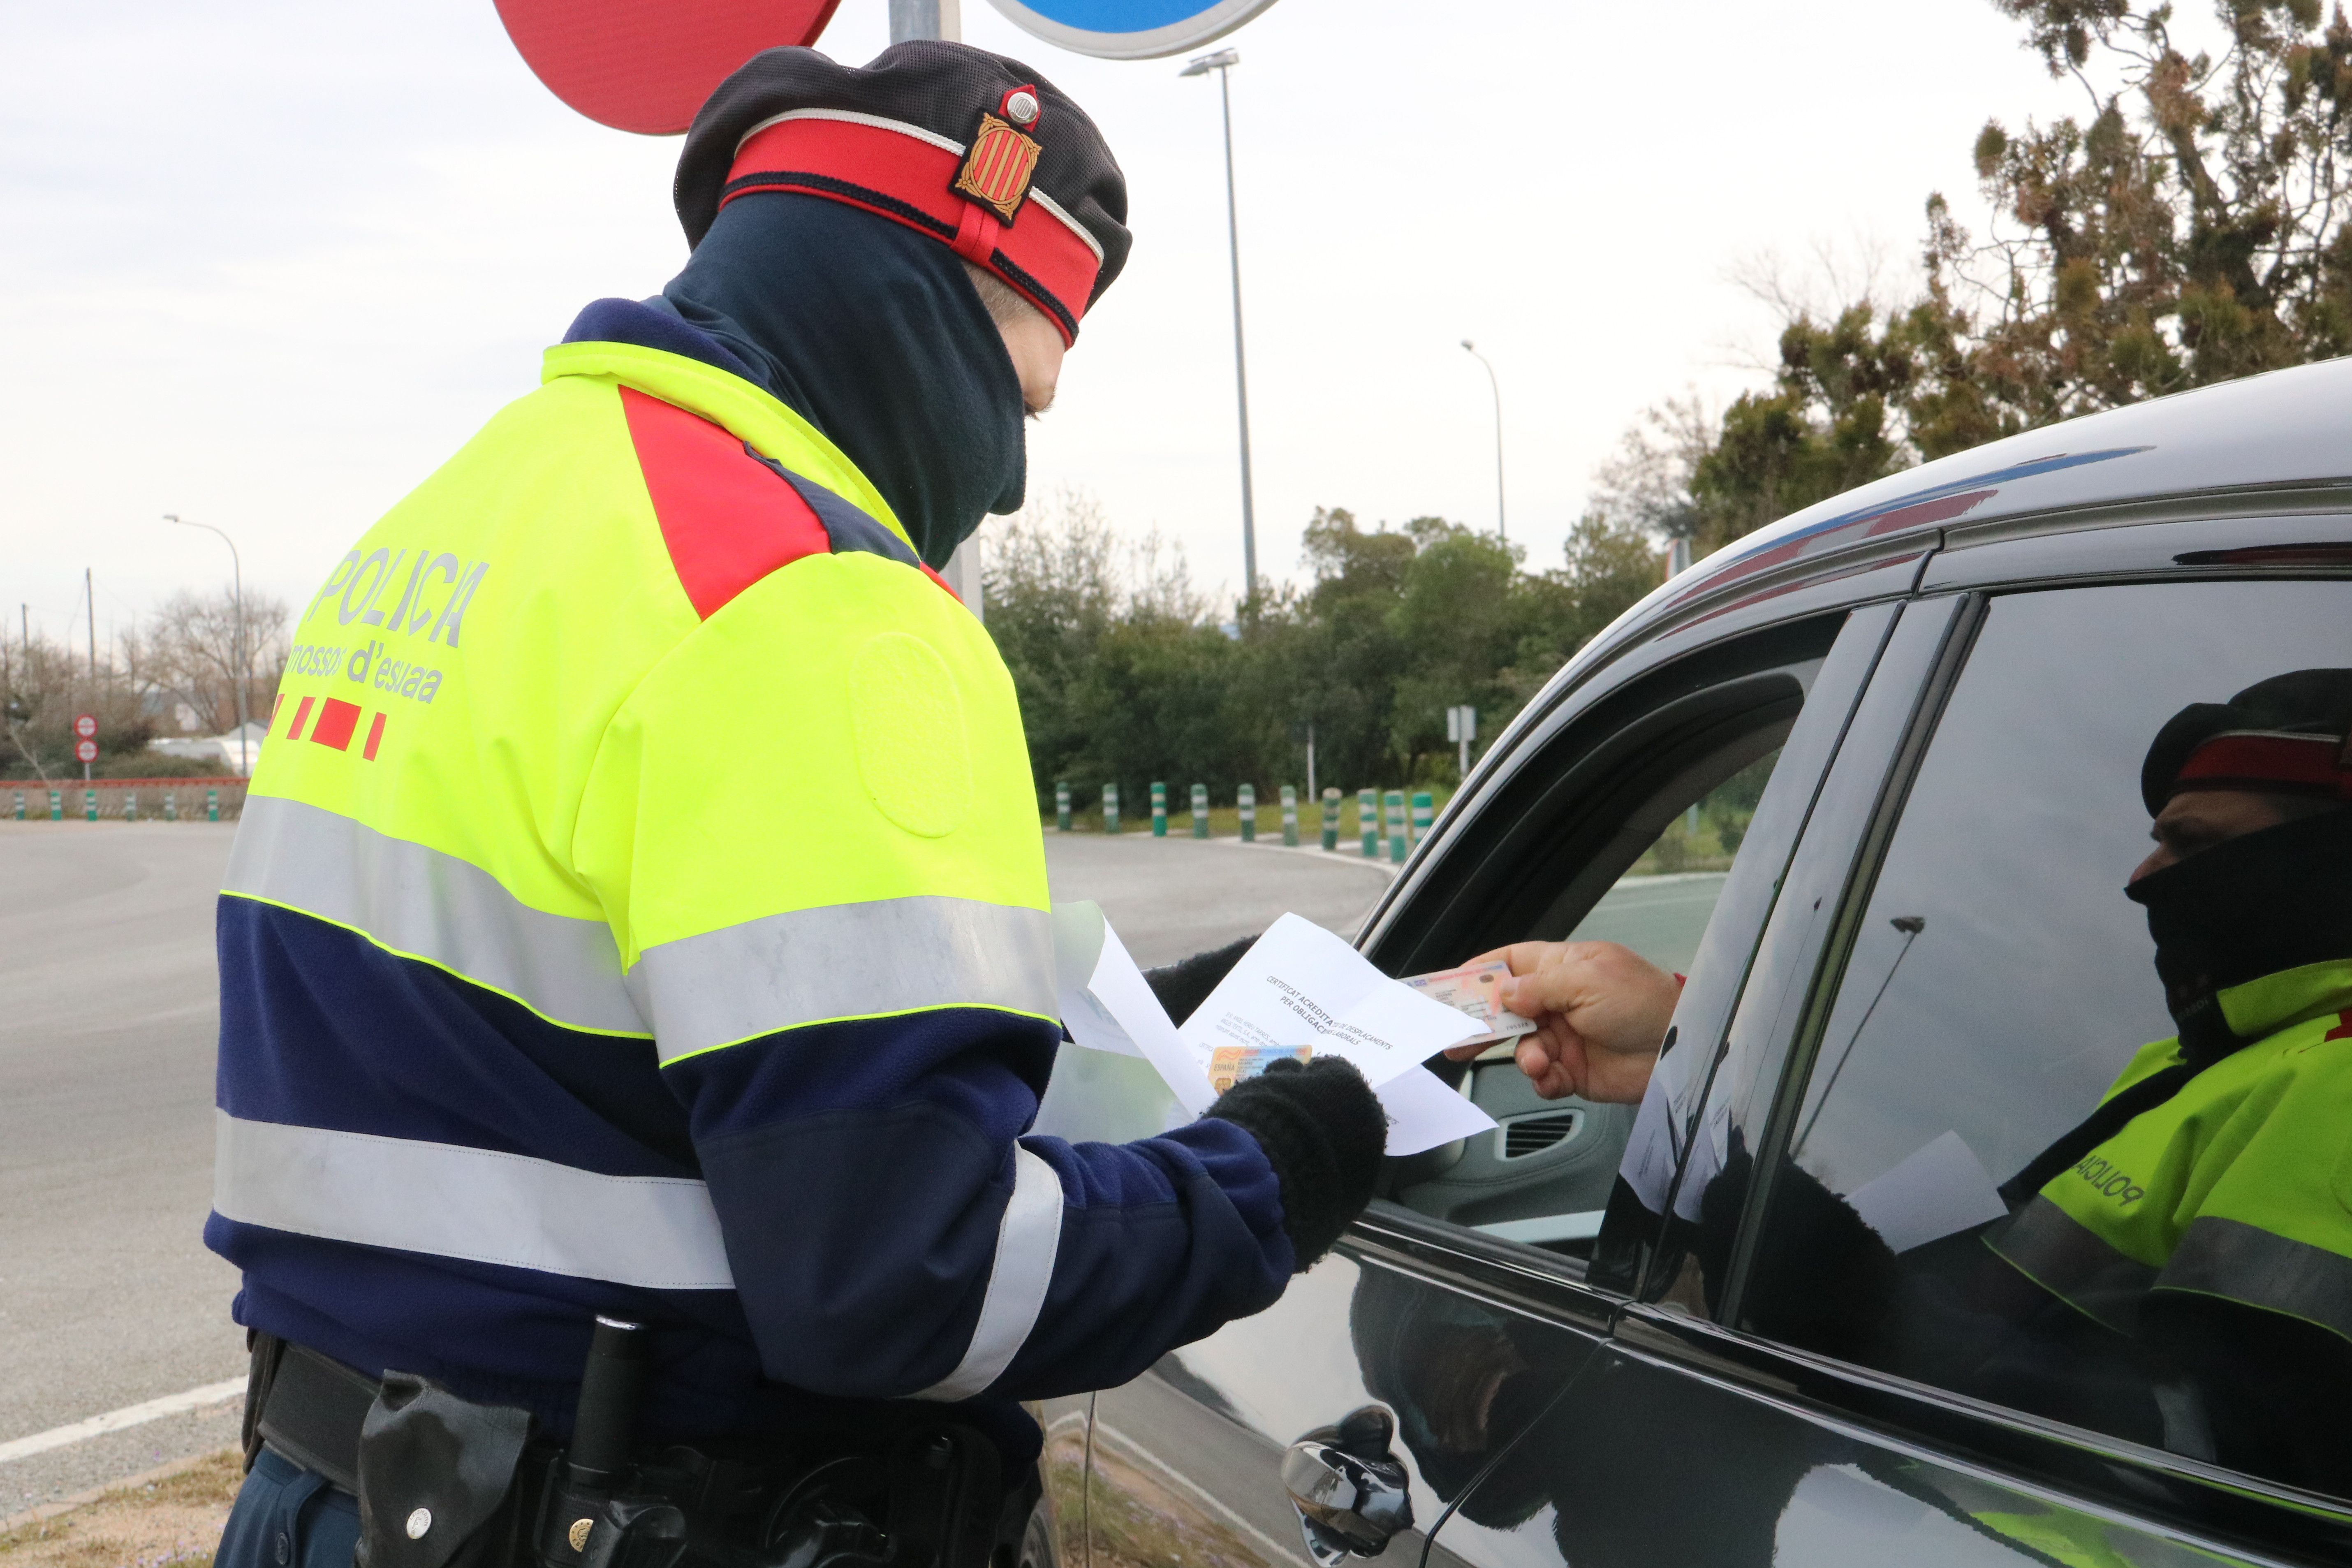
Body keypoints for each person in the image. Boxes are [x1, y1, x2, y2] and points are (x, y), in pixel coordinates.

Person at [207, 41, 1385, 1568]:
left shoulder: (452, 526)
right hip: (633, 1515)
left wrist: (1144, 1029)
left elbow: (629, 1044)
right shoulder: (810, 599)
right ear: (911, 304)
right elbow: (911, 1284)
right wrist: (1271, 1177)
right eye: (1021, 386)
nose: (1015, 476)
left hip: (325, 1499)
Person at [1452, 668, 2352, 1493]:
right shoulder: (2197, 1064)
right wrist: (1701, 1060)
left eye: (2190, 845)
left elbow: (2210, 1468)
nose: (2137, 880)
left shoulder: (2331, 1095)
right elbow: (1979, 1261)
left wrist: (1811, 1267)